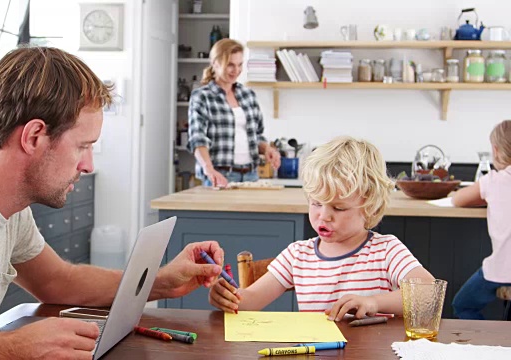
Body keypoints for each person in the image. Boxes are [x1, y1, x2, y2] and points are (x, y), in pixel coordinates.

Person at [0, 46, 225, 359]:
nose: (88, 165)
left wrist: (162, 281)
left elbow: (58, 282)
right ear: (34, 136)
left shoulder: (6, 207)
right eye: (83, 146)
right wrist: (10, 349)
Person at [208, 136, 435, 320]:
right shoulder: (298, 255)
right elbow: (250, 300)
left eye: (339, 208)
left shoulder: (386, 251)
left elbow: (429, 294)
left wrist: (373, 302)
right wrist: (228, 297)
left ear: (368, 207)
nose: (323, 216)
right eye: (316, 203)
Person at [187, 39, 280, 188]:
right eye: (230, 64)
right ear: (215, 63)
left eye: (240, 64)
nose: (236, 70)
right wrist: (209, 170)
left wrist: (267, 149)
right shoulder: (202, 96)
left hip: (251, 175)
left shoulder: (248, 95)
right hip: (219, 175)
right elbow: (197, 139)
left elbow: (257, 136)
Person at [451, 120, 511, 320]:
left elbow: (458, 199)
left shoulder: (494, 180)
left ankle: (485, 346)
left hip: (502, 269)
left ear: (495, 150)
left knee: (462, 305)